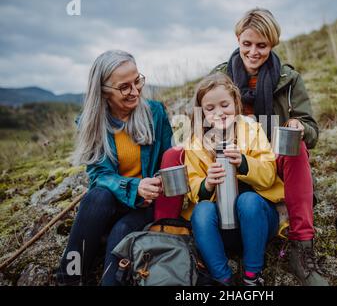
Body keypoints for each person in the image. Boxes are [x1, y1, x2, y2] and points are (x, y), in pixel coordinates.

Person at [211, 8, 328, 286]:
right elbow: (202, 120)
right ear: (238, 39)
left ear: (272, 44)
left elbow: (312, 130)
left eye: (261, 45)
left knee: (297, 149)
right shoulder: (221, 77)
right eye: (247, 44)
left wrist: (300, 126)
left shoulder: (288, 79)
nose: (253, 52)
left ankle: (302, 248)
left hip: (271, 156)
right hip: (233, 155)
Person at [56, 50, 176, 286]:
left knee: (121, 231)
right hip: (111, 201)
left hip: (145, 205)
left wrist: (158, 182)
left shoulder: (155, 113)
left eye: (137, 81)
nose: (135, 91)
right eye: (124, 87)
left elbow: (168, 160)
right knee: (96, 196)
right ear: (104, 92)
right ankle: (69, 278)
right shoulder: (91, 123)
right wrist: (134, 185)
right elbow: (99, 175)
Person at [158, 72, 284, 286]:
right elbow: (194, 190)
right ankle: (222, 277)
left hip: (258, 223)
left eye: (225, 105)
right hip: (220, 230)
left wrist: (244, 162)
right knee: (202, 211)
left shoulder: (252, 130)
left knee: (249, 201)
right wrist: (207, 183)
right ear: (202, 113)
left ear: (236, 103)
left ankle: (252, 275)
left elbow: (268, 175)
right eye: (210, 108)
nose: (219, 113)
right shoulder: (195, 143)